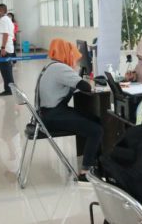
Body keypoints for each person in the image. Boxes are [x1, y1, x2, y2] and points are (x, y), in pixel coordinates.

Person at [37, 39, 101, 180]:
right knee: (96, 129)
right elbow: (86, 87)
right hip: (53, 115)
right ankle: (85, 173)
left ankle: (95, 160)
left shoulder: (50, 66)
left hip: (47, 114)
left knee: (95, 119)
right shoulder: (60, 68)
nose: (75, 59)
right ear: (66, 53)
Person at [0, 4, 15, 96]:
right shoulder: (6, 20)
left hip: (3, 49)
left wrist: (2, 48)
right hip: (5, 48)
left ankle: (9, 90)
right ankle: (9, 89)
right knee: (7, 70)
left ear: (1, 10)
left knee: (6, 70)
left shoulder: (4, 20)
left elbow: (5, 34)